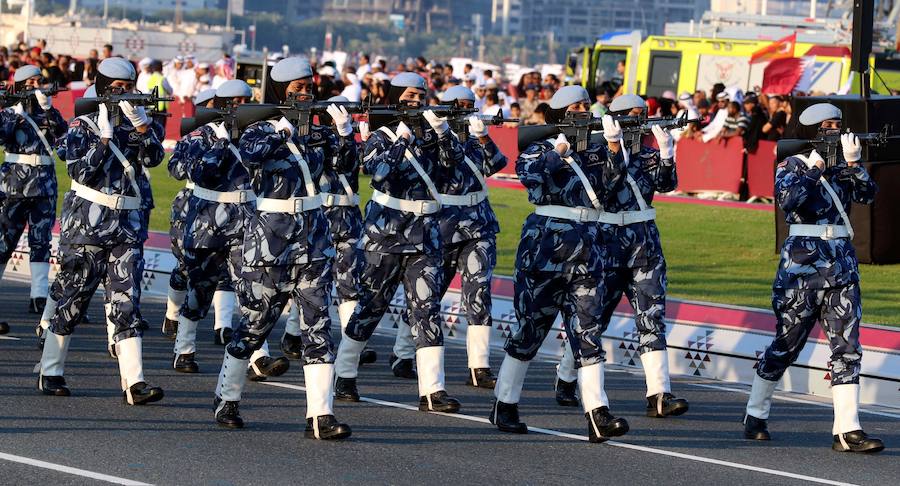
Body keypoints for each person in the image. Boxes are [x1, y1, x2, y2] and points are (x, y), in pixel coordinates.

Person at [213, 57, 351, 440]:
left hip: (314, 240)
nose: (305, 93)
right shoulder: (258, 128)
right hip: (271, 240)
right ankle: (227, 397)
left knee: (318, 328)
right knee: (255, 325)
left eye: (309, 86)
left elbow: (346, 169)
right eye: (297, 88)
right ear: (280, 92)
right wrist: (282, 129)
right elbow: (250, 156)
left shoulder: (317, 130)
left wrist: (343, 134)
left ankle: (320, 416)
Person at [490, 86, 629, 442]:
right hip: (546, 250)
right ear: (559, 115)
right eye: (576, 106)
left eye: (586, 105)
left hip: (589, 249)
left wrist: (614, 148)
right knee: (529, 332)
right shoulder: (539, 147)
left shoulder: (596, 149)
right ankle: (504, 403)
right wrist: (561, 147)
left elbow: (613, 187)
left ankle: (598, 413)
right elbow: (531, 178)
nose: (584, 110)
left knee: (588, 332)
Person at [743, 103, 883, 454]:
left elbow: (868, 196)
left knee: (847, 349)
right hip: (801, 270)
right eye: (827, 125)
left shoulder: (843, 166)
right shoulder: (792, 164)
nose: (834, 130)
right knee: (786, 346)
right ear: (810, 132)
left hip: (841, 268)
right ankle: (755, 413)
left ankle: (847, 430)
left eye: (837, 123)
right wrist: (815, 169)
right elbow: (789, 200)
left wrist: (853, 164)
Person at [333, 72, 465, 413]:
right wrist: (401, 142)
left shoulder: (431, 135)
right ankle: (344, 373)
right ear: (395, 98)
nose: (417, 101)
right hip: (386, 231)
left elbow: (455, 171)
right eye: (409, 95)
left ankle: (432, 390)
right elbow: (376, 171)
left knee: (427, 309)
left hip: (426, 233)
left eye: (421, 95)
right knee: (371, 305)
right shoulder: (382, 135)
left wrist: (443, 133)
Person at [36, 57, 165, 405]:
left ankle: (134, 382)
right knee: (74, 299)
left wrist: (141, 128)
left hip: (127, 226)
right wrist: (104, 139)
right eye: (121, 88)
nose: (128, 93)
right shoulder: (83, 125)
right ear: (106, 89)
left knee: (127, 301)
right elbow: (80, 171)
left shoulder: (140, 123)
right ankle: (50, 370)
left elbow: (154, 158)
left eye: (131, 86)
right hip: (88, 226)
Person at [552, 94, 689, 419]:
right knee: (594, 318)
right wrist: (615, 148)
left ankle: (659, 394)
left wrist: (668, 154)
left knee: (651, 318)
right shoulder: (596, 153)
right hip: (606, 243)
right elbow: (601, 191)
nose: (641, 120)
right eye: (634, 115)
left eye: (643, 114)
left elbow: (667, 185)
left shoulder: (648, 155)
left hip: (644, 245)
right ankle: (568, 375)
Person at [391, 85, 508, 388]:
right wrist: (445, 132)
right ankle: (404, 352)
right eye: (458, 105)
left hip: (478, 224)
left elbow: (496, 164)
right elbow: (444, 165)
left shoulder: (472, 136)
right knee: (427, 296)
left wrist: (482, 136)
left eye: (469, 105)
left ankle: (479, 366)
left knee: (479, 293)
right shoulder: (430, 135)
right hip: (440, 226)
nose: (465, 110)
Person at [280, 96, 376, 366]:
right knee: (313, 282)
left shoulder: (349, 138)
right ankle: (292, 333)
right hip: (321, 215)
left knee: (350, 280)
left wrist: (361, 140)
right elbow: (332, 163)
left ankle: (350, 341)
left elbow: (364, 167)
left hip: (347, 217)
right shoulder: (315, 138)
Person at [0, 65, 67, 334]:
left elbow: (63, 140)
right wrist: (16, 114)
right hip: (14, 185)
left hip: (44, 184)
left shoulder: (48, 111)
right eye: (33, 82)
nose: (39, 86)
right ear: (22, 85)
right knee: (4, 240)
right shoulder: (9, 112)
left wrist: (49, 109)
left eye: (41, 81)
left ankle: (38, 295)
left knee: (42, 240)